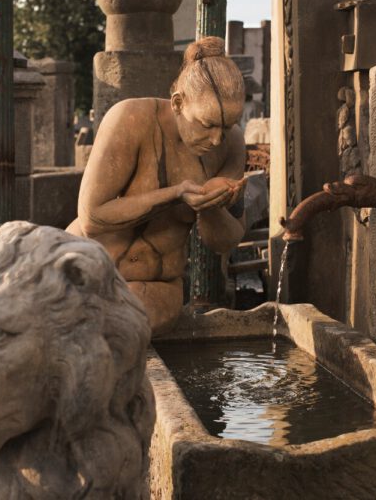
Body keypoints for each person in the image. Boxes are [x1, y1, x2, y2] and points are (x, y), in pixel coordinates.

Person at [67, 37, 247, 335]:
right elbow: (92, 217)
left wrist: (211, 207)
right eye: (207, 124)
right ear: (178, 103)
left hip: (158, 291)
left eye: (226, 127)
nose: (217, 139)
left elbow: (225, 242)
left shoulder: (231, 144)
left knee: (125, 328)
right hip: (84, 272)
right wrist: (175, 194)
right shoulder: (131, 118)